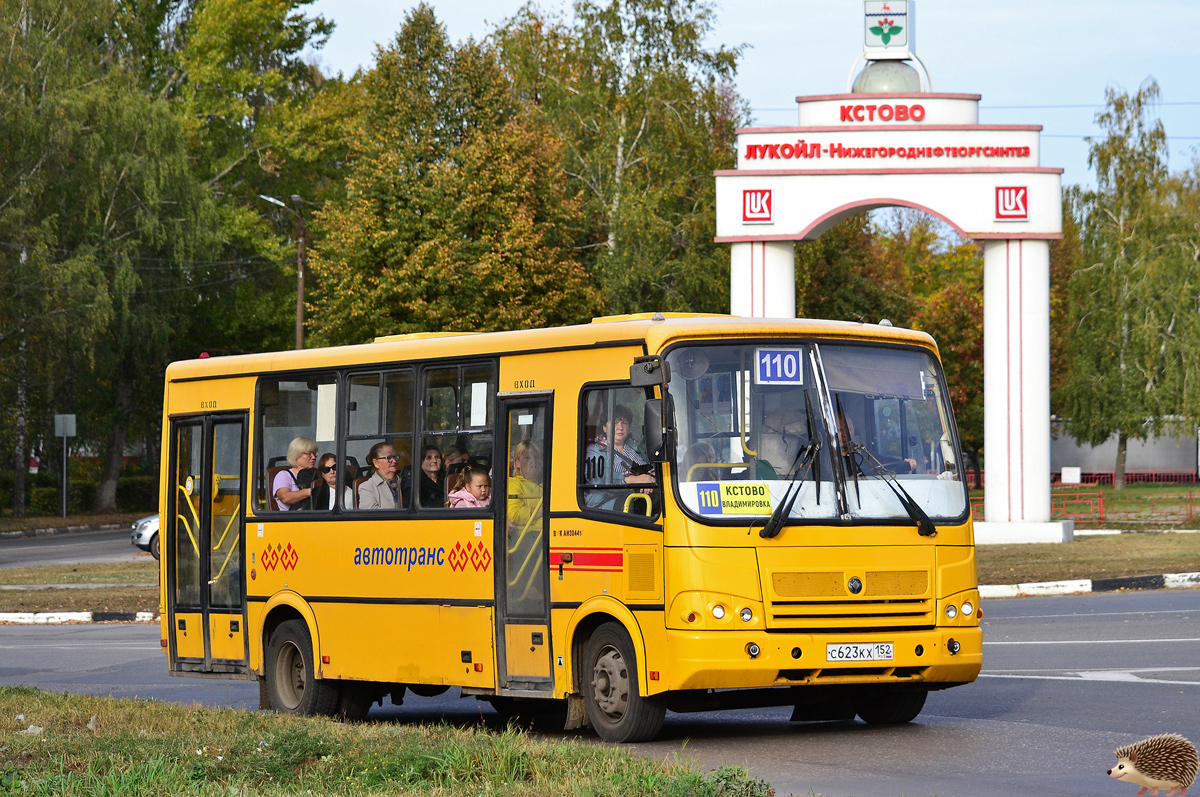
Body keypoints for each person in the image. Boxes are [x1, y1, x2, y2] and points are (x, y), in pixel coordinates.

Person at [584, 404, 656, 510]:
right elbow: (598, 482)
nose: (620, 427)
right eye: (615, 422)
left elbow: (655, 464)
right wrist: (634, 480)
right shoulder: (594, 451)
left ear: (629, 427)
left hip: (640, 495)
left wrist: (650, 478)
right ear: (604, 427)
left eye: (624, 423)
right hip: (605, 502)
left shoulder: (636, 447)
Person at [507, 440, 543, 532]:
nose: (533, 461)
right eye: (527, 458)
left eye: (536, 457)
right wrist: (543, 510)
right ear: (517, 463)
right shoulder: (514, 484)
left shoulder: (547, 485)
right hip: (530, 536)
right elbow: (515, 515)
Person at [273, 437, 317, 511]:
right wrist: (312, 491)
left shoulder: (316, 475)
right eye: (308, 454)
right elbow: (285, 497)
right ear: (296, 455)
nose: (314, 457)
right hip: (293, 520)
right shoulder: (284, 475)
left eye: (314, 453)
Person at [359, 442, 401, 509]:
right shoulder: (367, 487)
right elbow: (370, 515)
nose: (394, 461)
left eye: (395, 457)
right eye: (389, 458)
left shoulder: (404, 482)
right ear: (376, 463)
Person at [401, 443, 444, 508]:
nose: (434, 461)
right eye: (429, 458)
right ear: (420, 462)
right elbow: (416, 508)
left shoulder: (446, 479)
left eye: (437, 457)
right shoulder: (414, 483)